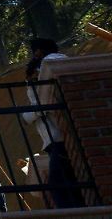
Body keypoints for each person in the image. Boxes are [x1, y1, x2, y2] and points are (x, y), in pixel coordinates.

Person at [23, 44, 84, 209]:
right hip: (52, 139)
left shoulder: (51, 61)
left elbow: (42, 104)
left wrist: (28, 115)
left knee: (58, 181)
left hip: (59, 137)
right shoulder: (40, 72)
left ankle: (74, 211)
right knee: (66, 179)